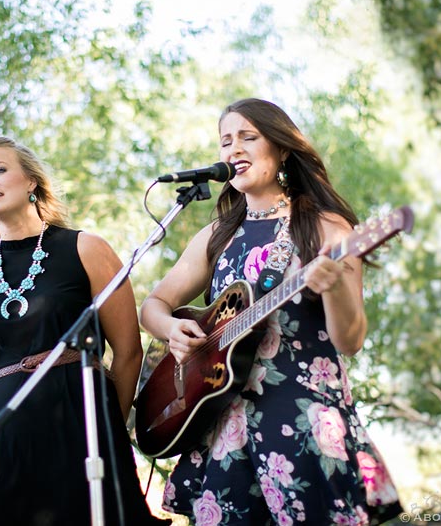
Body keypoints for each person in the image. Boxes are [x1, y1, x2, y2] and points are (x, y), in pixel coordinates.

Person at [139, 98, 403, 525]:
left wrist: (334, 287)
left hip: (304, 420)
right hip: (222, 421)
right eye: (226, 141)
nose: (233, 149)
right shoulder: (218, 234)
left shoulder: (326, 226)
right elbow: (152, 306)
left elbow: (350, 341)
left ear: (281, 148)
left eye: (248, 137)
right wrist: (172, 329)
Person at [0, 135, 168, 526]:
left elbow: (129, 351)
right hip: (8, 447)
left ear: (32, 181)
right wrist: (17, 420)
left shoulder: (86, 249)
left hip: (84, 428)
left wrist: (103, 423)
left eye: (0, 169)